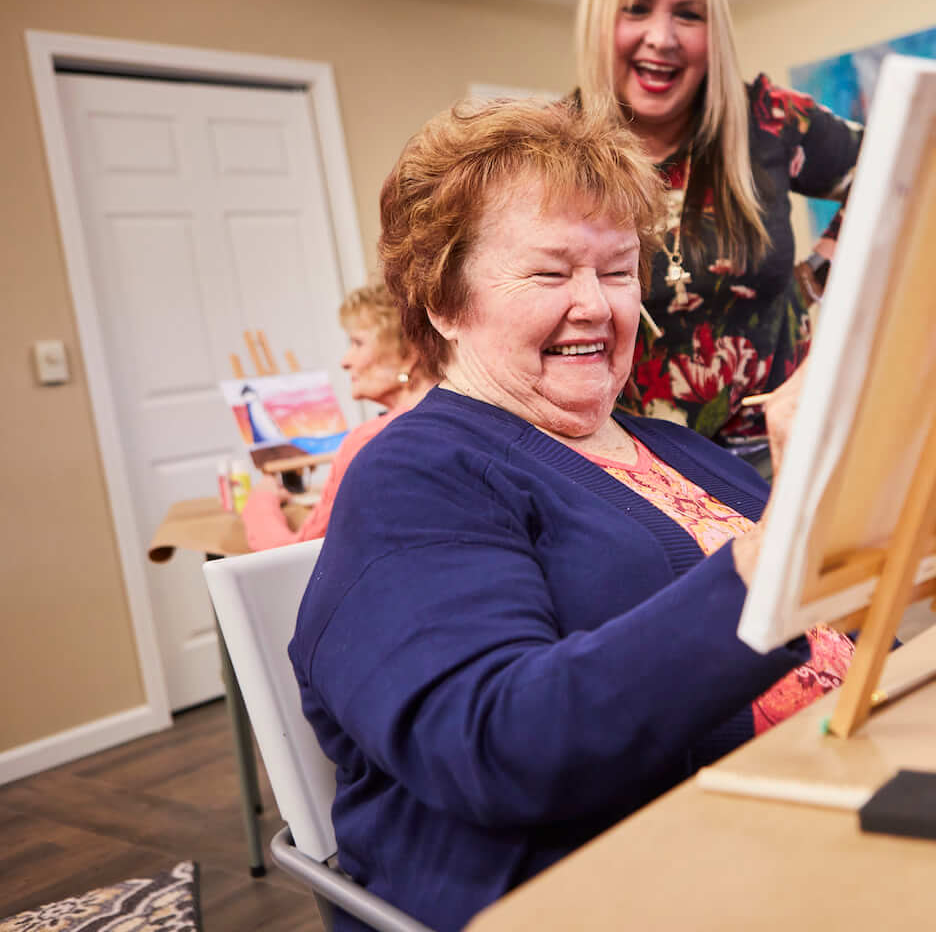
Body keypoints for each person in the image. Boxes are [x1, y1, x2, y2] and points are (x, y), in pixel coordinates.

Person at [289, 99, 854, 932]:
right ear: (443, 302)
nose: (596, 305)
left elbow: (846, 619)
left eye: (618, 271)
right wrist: (783, 548)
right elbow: (498, 746)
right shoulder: (415, 473)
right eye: (552, 274)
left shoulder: (671, 445)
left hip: (825, 807)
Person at [574, 0, 863, 464]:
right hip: (633, 467)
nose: (662, 38)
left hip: (784, 453)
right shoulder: (557, 148)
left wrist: (813, 278)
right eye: (636, 9)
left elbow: (891, 168)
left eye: (688, 15)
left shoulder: (768, 120)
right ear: (600, 20)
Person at [241, 284, 436, 550]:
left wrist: (261, 501)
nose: (345, 361)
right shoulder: (459, 413)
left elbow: (294, 552)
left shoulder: (370, 439)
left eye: (358, 343)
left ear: (409, 353)